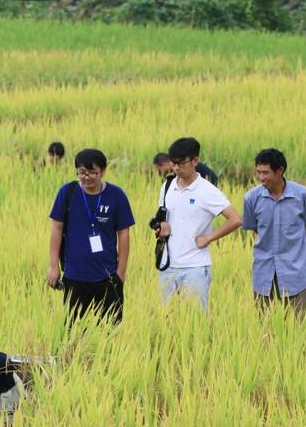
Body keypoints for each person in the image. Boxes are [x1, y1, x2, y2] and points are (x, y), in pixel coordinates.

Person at [46, 149, 134, 326]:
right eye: (81, 172)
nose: (86, 177)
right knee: (73, 330)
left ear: (102, 171)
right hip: (74, 275)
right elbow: (56, 227)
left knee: (110, 330)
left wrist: (120, 273)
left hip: (108, 276)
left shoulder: (116, 196)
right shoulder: (67, 192)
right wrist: (54, 266)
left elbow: (123, 233)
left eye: (92, 172)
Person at [154, 138, 242, 310]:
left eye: (181, 163)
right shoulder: (167, 186)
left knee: (196, 322)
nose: (177, 168)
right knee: (166, 321)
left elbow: (235, 219)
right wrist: (160, 230)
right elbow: (163, 220)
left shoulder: (207, 190)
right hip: (167, 266)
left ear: (195, 161)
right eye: (174, 164)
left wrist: (208, 238)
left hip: (195, 268)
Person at [242, 149, 306, 318]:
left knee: (301, 322)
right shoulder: (251, 198)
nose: (261, 178)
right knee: (263, 323)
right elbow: (254, 227)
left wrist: (301, 255)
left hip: (296, 268)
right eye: (258, 172)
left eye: (266, 172)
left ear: (280, 171)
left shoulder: (302, 195)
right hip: (264, 267)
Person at [153, 152, 218, 185]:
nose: (159, 171)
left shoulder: (181, 166)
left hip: (209, 183)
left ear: (165, 164)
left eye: (159, 168)